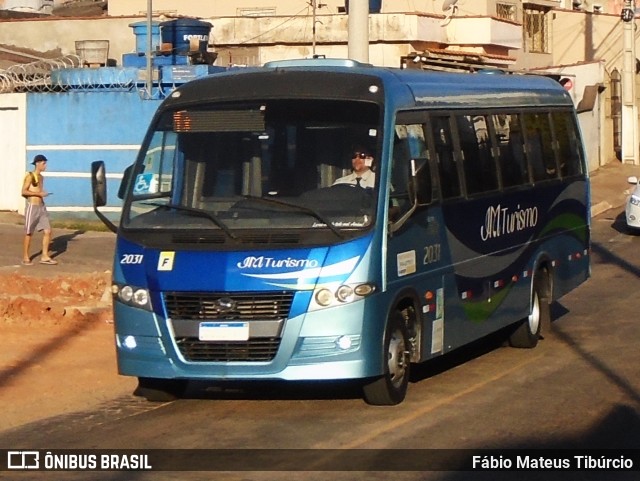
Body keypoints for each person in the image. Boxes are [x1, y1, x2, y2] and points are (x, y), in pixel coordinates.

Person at [21, 154, 57, 265]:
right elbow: (23, 191)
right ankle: (25, 256)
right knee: (29, 232)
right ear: (37, 163)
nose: (45, 165)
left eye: (45, 163)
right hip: (32, 207)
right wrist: (39, 193)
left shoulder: (41, 177)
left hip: (41, 206)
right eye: (43, 163)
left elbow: (39, 190)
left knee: (48, 230)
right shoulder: (30, 176)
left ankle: (45, 256)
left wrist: (43, 194)